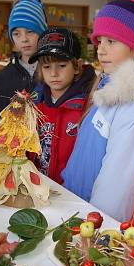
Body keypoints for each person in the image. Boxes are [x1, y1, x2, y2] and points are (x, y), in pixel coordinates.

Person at [62, 0, 134, 221]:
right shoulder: (112, 91)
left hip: (95, 221)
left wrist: (97, 232)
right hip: (78, 206)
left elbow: (119, 186)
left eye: (111, 42)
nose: (100, 51)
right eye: (99, 41)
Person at [28, 28, 96, 183]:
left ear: (77, 66)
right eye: (46, 67)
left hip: (71, 194)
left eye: (62, 65)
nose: (54, 73)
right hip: (37, 187)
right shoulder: (33, 103)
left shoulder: (89, 106)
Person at [0, 0, 48, 114]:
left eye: (30, 31)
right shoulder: (1, 78)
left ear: (42, 32)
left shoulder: (54, 71)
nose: (24, 39)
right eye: (17, 34)